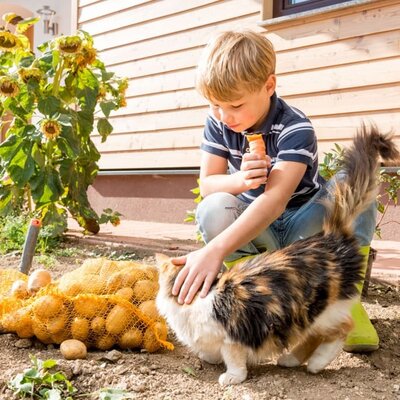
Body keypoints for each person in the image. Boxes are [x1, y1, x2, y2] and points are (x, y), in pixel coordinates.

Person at [171, 30, 379, 352]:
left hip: (303, 227)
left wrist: (213, 251)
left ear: (269, 86)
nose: (225, 116)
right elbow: (208, 182)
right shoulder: (218, 123)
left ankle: (344, 296)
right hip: (257, 233)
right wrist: (240, 181)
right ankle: (256, 294)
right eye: (215, 105)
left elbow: (275, 200)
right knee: (212, 208)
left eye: (235, 105)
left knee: (356, 180)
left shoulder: (295, 126)